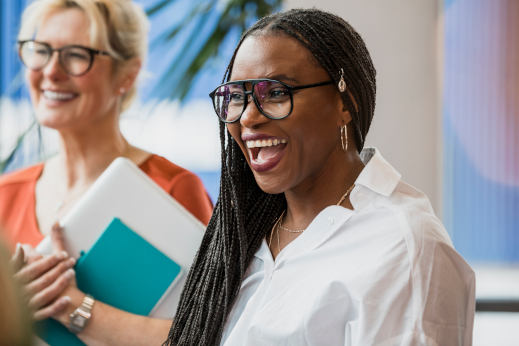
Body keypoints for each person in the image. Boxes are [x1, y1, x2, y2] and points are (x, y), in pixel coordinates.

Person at [166, 8, 476, 345]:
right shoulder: (247, 233)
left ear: (346, 103)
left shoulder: (403, 247)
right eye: (238, 97)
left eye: (276, 92)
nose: (249, 117)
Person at [0, 0, 212, 344]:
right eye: (41, 50)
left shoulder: (170, 188)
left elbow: (208, 333)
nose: (51, 71)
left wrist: (75, 308)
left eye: (75, 54)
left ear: (127, 74)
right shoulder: (5, 195)